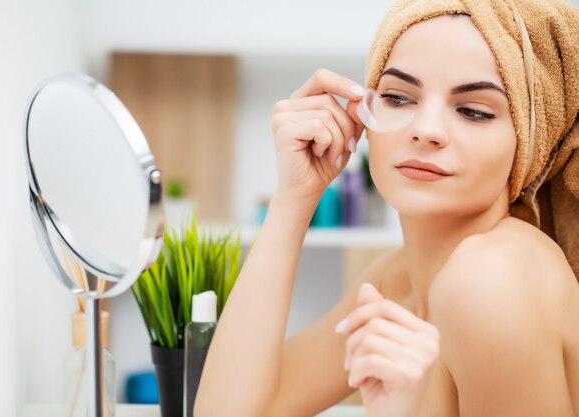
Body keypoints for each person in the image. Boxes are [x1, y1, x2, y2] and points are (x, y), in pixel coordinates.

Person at [195, 0, 579, 416]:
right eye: (397, 98)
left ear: (530, 145)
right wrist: (294, 198)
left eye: (473, 111)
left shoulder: (492, 280)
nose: (425, 130)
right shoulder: (397, 282)